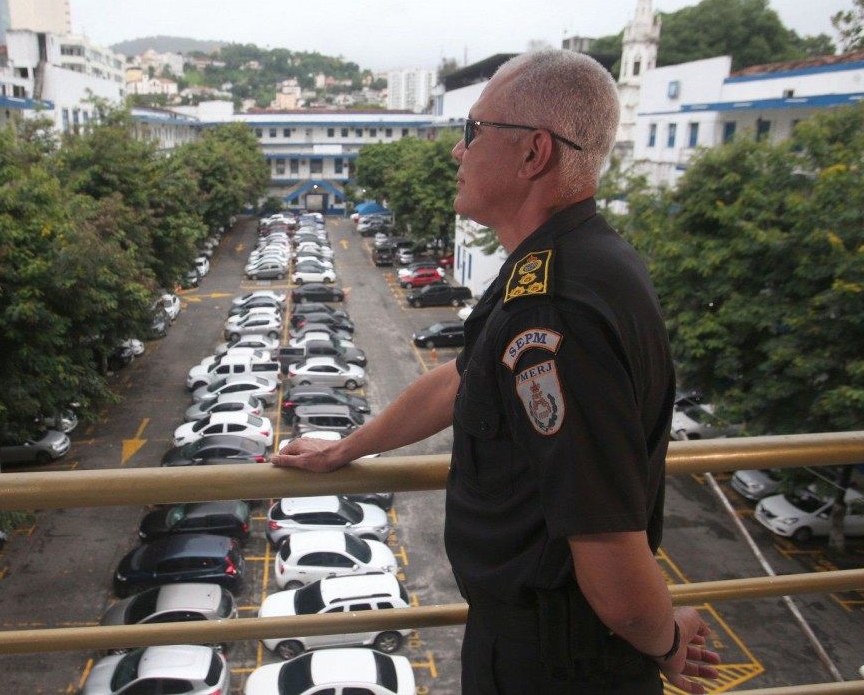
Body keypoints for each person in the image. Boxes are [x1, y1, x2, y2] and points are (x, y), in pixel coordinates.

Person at [272, 49, 721, 694]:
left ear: (534, 153)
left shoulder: (556, 309)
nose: (458, 152)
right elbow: (463, 378)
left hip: (557, 660)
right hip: (537, 639)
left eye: (472, 132)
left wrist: (666, 641)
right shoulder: (573, 261)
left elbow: (606, 543)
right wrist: (349, 446)